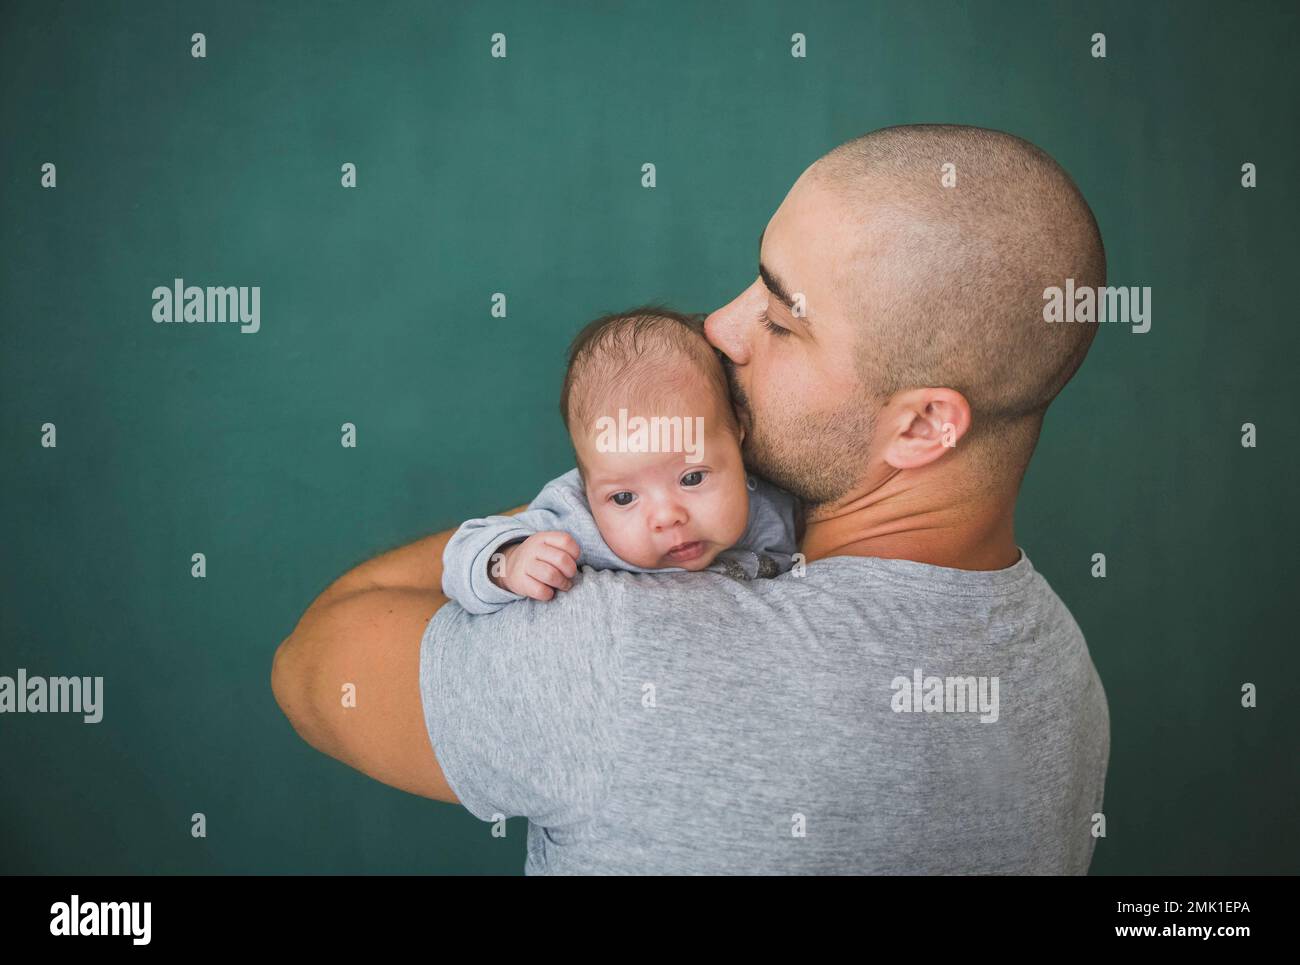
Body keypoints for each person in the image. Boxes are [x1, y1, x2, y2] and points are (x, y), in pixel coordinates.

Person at [272, 123, 1111, 874]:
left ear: (924, 425)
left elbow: (313, 664)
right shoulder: (1069, 680)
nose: (720, 327)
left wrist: (598, 500)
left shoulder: (625, 652)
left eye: (782, 321)